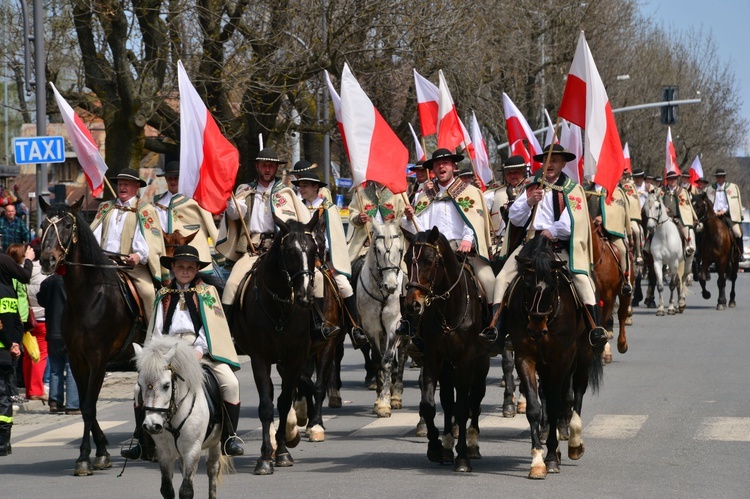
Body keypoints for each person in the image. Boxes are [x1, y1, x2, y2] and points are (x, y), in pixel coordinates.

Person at [481, 144, 607, 353]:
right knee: (502, 278)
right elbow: (515, 218)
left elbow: (572, 222)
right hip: (530, 244)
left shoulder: (573, 189)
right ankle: (497, 330)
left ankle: (594, 329)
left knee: (582, 279)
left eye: (555, 161)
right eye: (547, 160)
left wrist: (552, 231)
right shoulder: (531, 186)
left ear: (563, 164)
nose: (550, 165)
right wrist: (530, 201)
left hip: (557, 245)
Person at [123, 245, 244, 460]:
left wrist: (199, 350)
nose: (185, 271)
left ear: (197, 269)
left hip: (200, 350)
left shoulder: (208, 293)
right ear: (173, 268)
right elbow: (158, 329)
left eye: (190, 267)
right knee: (138, 387)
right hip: (167, 349)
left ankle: (229, 437)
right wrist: (158, 354)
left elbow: (212, 328)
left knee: (231, 383)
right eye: (181, 267)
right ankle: (141, 440)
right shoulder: (163, 294)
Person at [217, 148, 309, 316]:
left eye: (271, 166)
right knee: (231, 286)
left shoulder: (286, 192)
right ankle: (228, 332)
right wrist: (233, 203)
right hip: (254, 250)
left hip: (282, 250)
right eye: (264, 165)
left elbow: (304, 221)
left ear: (276, 168)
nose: (267, 169)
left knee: (312, 280)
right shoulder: (245, 189)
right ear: (257, 166)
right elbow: (234, 215)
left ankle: (317, 325)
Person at [403, 148, 495, 314]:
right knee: (409, 283)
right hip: (432, 252)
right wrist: (410, 218)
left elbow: (474, 220)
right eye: (437, 164)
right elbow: (419, 229)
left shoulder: (471, 192)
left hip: (463, 249)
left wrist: (467, 240)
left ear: (453, 166)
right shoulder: (424, 196)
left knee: (489, 282)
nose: (441, 167)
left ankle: (493, 326)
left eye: (445, 163)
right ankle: (410, 325)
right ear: (433, 170)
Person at [294, 172, 366, 345]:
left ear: (315, 187)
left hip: (324, 260)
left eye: (305, 185)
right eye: (300, 186)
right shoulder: (298, 208)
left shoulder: (328, 209)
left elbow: (333, 237)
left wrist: (324, 256)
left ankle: (355, 329)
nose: (301, 189)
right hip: (302, 262)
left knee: (345, 287)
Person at [91, 169, 166, 324]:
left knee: (148, 293)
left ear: (136, 186)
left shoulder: (145, 210)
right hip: (104, 263)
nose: (122, 187)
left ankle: (154, 334)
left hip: (131, 267)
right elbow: (94, 234)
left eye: (126, 184)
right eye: (120, 184)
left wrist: (138, 256)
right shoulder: (105, 207)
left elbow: (150, 240)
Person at [152, 161, 219, 276]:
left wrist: (218, 243)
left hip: (193, 256)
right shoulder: (157, 201)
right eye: (169, 178)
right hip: (164, 255)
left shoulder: (195, 200)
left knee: (218, 285)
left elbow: (210, 224)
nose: (173, 181)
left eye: (177, 178)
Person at [0, 244, 33, 456]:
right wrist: (14, 343)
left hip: (6, 349)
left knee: (5, 394)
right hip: (7, 351)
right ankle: (4, 442)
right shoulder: (10, 291)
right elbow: (13, 322)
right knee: (5, 396)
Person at [7, 244, 48, 401]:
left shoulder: (11, 273)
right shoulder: (37, 272)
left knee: (26, 356)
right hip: (35, 319)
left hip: (25, 319)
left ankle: (29, 389)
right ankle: (35, 390)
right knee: (38, 355)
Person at [38, 274, 78, 414]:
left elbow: (40, 300)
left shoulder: (48, 282)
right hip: (69, 331)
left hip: (52, 329)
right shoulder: (73, 280)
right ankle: (73, 404)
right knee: (72, 367)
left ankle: (55, 401)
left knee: (56, 368)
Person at [587, 181, 633, 295]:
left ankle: (625, 281)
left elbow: (617, 210)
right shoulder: (586, 189)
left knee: (623, 249)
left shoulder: (615, 190)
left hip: (609, 231)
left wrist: (604, 218)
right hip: (588, 230)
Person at [347, 180, 406, 262]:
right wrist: (359, 218)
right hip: (365, 244)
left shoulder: (398, 193)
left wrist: (408, 216)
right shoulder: (361, 191)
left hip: (391, 243)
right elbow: (352, 214)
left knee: (404, 270)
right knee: (349, 268)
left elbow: (403, 217)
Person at [487, 155, 529, 247]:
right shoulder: (495, 190)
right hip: (499, 241)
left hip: (524, 239)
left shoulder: (531, 189)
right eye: (509, 173)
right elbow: (481, 207)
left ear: (523, 172)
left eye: (516, 172)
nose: (512, 175)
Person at [706, 168, 744, 260]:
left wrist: (724, 210)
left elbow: (733, 202)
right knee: (701, 230)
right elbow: (709, 203)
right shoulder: (710, 189)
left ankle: (740, 253)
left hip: (727, 215)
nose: (719, 179)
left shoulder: (732, 188)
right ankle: (700, 254)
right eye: (718, 177)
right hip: (713, 215)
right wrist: (714, 212)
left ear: (724, 177)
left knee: (737, 232)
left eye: (721, 177)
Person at [661, 171, 697, 257]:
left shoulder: (683, 192)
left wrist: (693, 218)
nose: (672, 180)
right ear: (667, 180)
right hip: (666, 218)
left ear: (677, 180)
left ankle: (688, 247)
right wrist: (663, 208)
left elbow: (688, 207)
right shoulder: (661, 191)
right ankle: (647, 247)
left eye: (674, 179)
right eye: (670, 179)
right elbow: (656, 203)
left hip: (680, 218)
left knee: (687, 230)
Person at [621, 169, 644, 265]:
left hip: (630, 217)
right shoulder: (615, 185)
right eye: (622, 175)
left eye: (624, 175)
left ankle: (639, 254)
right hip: (619, 217)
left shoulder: (629, 186)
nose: (623, 177)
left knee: (637, 231)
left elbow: (635, 200)